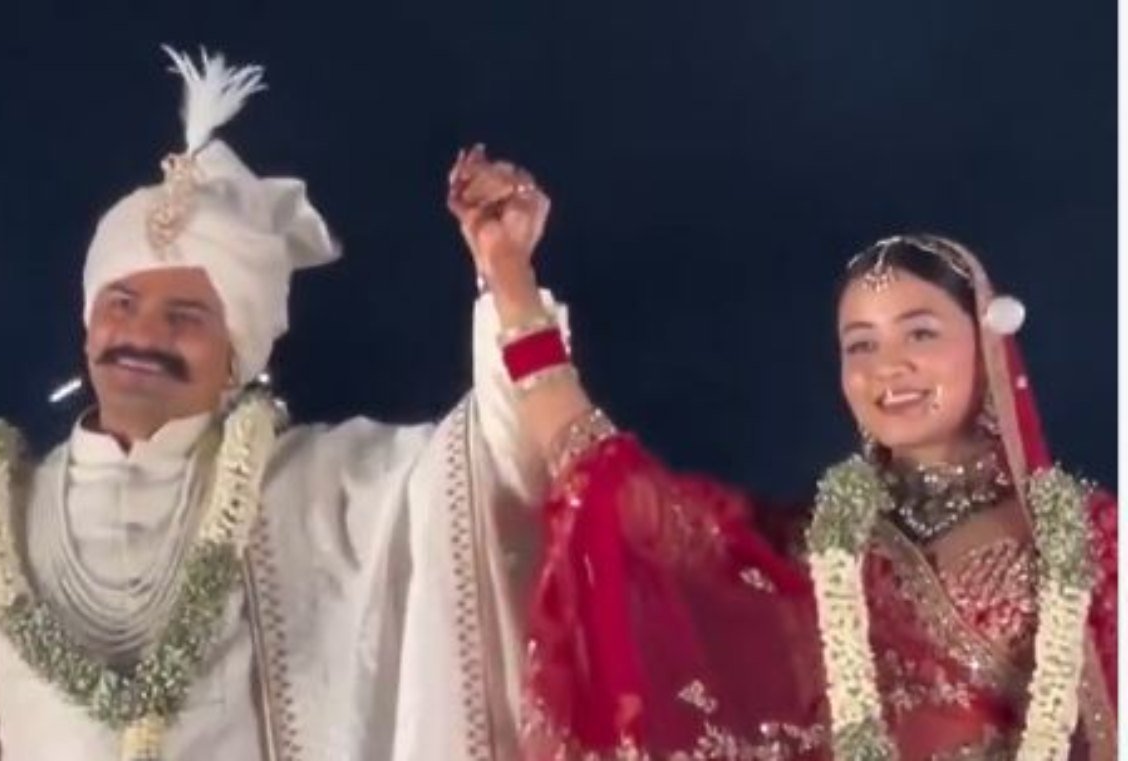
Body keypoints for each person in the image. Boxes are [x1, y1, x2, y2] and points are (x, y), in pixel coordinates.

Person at [0, 50, 556, 761]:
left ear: (237, 356)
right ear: (88, 325)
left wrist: (507, 275)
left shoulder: (321, 487)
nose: (143, 334)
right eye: (121, 303)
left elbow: (496, 461)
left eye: (186, 316)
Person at [446, 154, 1117, 759]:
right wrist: (509, 274)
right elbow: (610, 482)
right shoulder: (805, 549)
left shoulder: (1091, 538)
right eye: (861, 344)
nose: (888, 365)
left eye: (920, 332)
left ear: (990, 345)